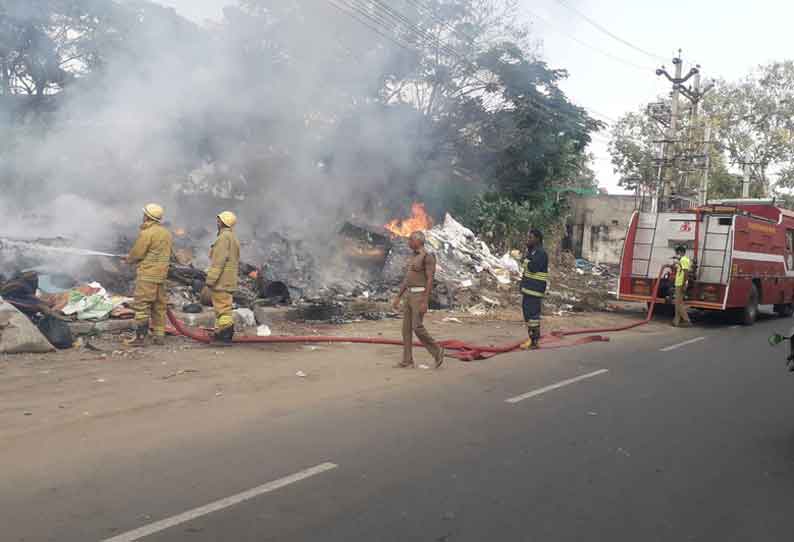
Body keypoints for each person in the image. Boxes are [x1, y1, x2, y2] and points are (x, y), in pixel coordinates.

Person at [392, 231, 445, 368]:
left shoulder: (428, 257)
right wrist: (398, 296)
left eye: (411, 240)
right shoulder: (413, 257)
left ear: (418, 241)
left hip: (419, 295)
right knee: (406, 329)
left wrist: (425, 301)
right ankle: (407, 360)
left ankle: (437, 351)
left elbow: (429, 280)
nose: (409, 242)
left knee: (417, 327)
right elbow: (407, 279)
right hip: (409, 295)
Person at [124, 203, 173, 347]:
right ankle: (159, 336)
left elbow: (138, 253)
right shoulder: (166, 233)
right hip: (161, 275)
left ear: (147, 216)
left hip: (147, 275)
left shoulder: (147, 233)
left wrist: (128, 259)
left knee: (142, 306)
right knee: (159, 306)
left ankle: (140, 338)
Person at [206, 211, 240, 345]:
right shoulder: (233, 237)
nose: (217, 222)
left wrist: (210, 280)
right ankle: (220, 333)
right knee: (224, 308)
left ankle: (225, 337)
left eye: (219, 220)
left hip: (222, 280)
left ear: (223, 222)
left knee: (223, 309)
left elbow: (218, 262)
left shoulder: (223, 238)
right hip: (229, 279)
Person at [520, 229, 549, 350]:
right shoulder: (533, 252)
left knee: (533, 317)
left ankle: (534, 341)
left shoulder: (541, 253)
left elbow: (533, 267)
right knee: (528, 315)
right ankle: (531, 338)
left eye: (531, 238)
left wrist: (525, 260)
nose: (528, 240)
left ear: (537, 239)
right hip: (528, 289)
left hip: (535, 290)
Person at [672, 245, 692, 327]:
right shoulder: (684, 260)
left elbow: (686, 272)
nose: (677, 253)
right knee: (678, 303)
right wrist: (677, 261)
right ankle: (676, 321)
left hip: (680, 283)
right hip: (679, 283)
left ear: (681, 252)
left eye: (678, 252)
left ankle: (687, 320)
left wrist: (685, 283)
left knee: (679, 303)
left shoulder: (684, 260)